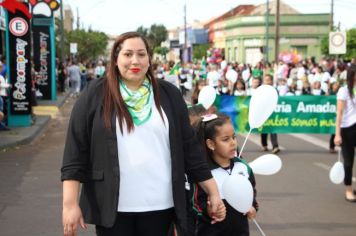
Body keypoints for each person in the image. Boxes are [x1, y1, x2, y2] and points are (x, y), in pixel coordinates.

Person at [61, 32, 226, 236]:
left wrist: (213, 192)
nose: (135, 61)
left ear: (149, 59)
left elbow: (190, 149)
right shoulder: (95, 94)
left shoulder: (169, 95)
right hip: (113, 207)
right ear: (115, 59)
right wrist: (69, 204)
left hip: (161, 205)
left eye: (141, 54)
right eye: (128, 54)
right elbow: (75, 151)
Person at [192, 114, 258, 236]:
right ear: (211, 144)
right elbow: (194, 204)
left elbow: (252, 192)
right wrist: (209, 211)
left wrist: (252, 207)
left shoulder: (243, 167)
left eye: (234, 137)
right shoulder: (204, 174)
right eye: (225, 139)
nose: (233, 143)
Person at [334, 65, 356, 202]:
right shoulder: (344, 91)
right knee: (348, 161)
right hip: (348, 128)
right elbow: (340, 113)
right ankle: (348, 189)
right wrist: (337, 134)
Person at [261, 74, 280, 154]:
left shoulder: (275, 90)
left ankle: (275, 146)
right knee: (264, 129)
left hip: (272, 112)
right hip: (263, 112)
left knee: (273, 129)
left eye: (269, 80)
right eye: (266, 80)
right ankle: (264, 144)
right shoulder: (261, 90)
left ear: (272, 81)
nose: (267, 82)